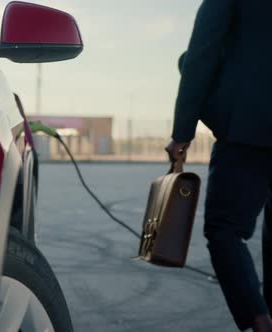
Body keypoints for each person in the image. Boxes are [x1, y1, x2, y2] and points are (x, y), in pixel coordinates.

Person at [166, 0, 272, 331]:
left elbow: (201, 57)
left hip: (249, 130)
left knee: (225, 228)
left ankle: (260, 320)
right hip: (250, 126)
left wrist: (182, 133)